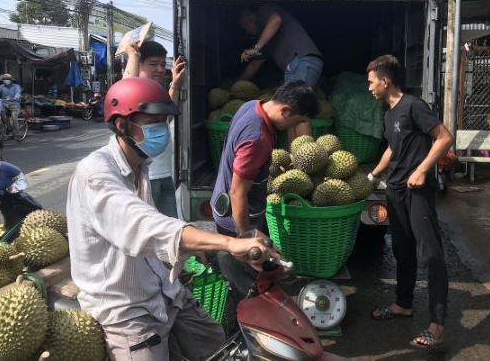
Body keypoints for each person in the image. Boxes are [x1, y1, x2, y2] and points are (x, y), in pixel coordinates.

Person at [67, 77, 276, 361]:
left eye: (164, 122)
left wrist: (192, 248)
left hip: (164, 291)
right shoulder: (95, 173)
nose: (161, 130)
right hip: (125, 310)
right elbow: (143, 225)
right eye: (152, 122)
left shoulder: (140, 166)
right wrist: (228, 243)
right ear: (121, 125)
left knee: (217, 344)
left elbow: (159, 222)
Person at [366, 55, 453, 351]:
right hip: (395, 189)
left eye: (371, 82)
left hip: (417, 190)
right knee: (402, 250)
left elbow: (444, 138)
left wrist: (421, 169)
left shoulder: (414, 106)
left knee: (431, 255)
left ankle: (437, 327)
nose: (369, 88)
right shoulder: (389, 113)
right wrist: (373, 175)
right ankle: (403, 304)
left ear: (385, 80)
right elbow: (394, 147)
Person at [211, 81, 319, 236]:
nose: (295, 126)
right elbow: (237, 194)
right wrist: (246, 238)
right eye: (298, 121)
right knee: (241, 259)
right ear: (286, 111)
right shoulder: (257, 139)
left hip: (225, 206)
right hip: (237, 221)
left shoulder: (251, 106)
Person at [238, 4, 323, 141]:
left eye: (245, 28)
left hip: (303, 59)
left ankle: (306, 160)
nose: (247, 32)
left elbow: (276, 19)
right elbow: (254, 65)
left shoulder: (264, 10)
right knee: (290, 113)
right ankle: (293, 157)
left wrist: (256, 47)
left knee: (300, 112)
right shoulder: (265, 38)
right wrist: (236, 84)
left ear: (248, 20)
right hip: (292, 66)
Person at [123, 40, 187, 219]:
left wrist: (175, 83)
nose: (160, 69)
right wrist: (133, 56)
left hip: (164, 173)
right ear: (140, 65)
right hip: (146, 177)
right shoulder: (133, 92)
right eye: (153, 64)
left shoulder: (157, 91)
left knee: (170, 229)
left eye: (162, 64)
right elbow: (126, 84)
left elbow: (166, 115)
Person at [0, 73, 22, 138]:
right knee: (2, 116)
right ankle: (7, 128)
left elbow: (18, 93)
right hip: (4, 104)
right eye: (4, 79)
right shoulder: (1, 87)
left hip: (14, 105)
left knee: (14, 118)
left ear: (10, 80)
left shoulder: (16, 86)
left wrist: (15, 98)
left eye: (7, 79)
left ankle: (17, 133)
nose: (6, 80)